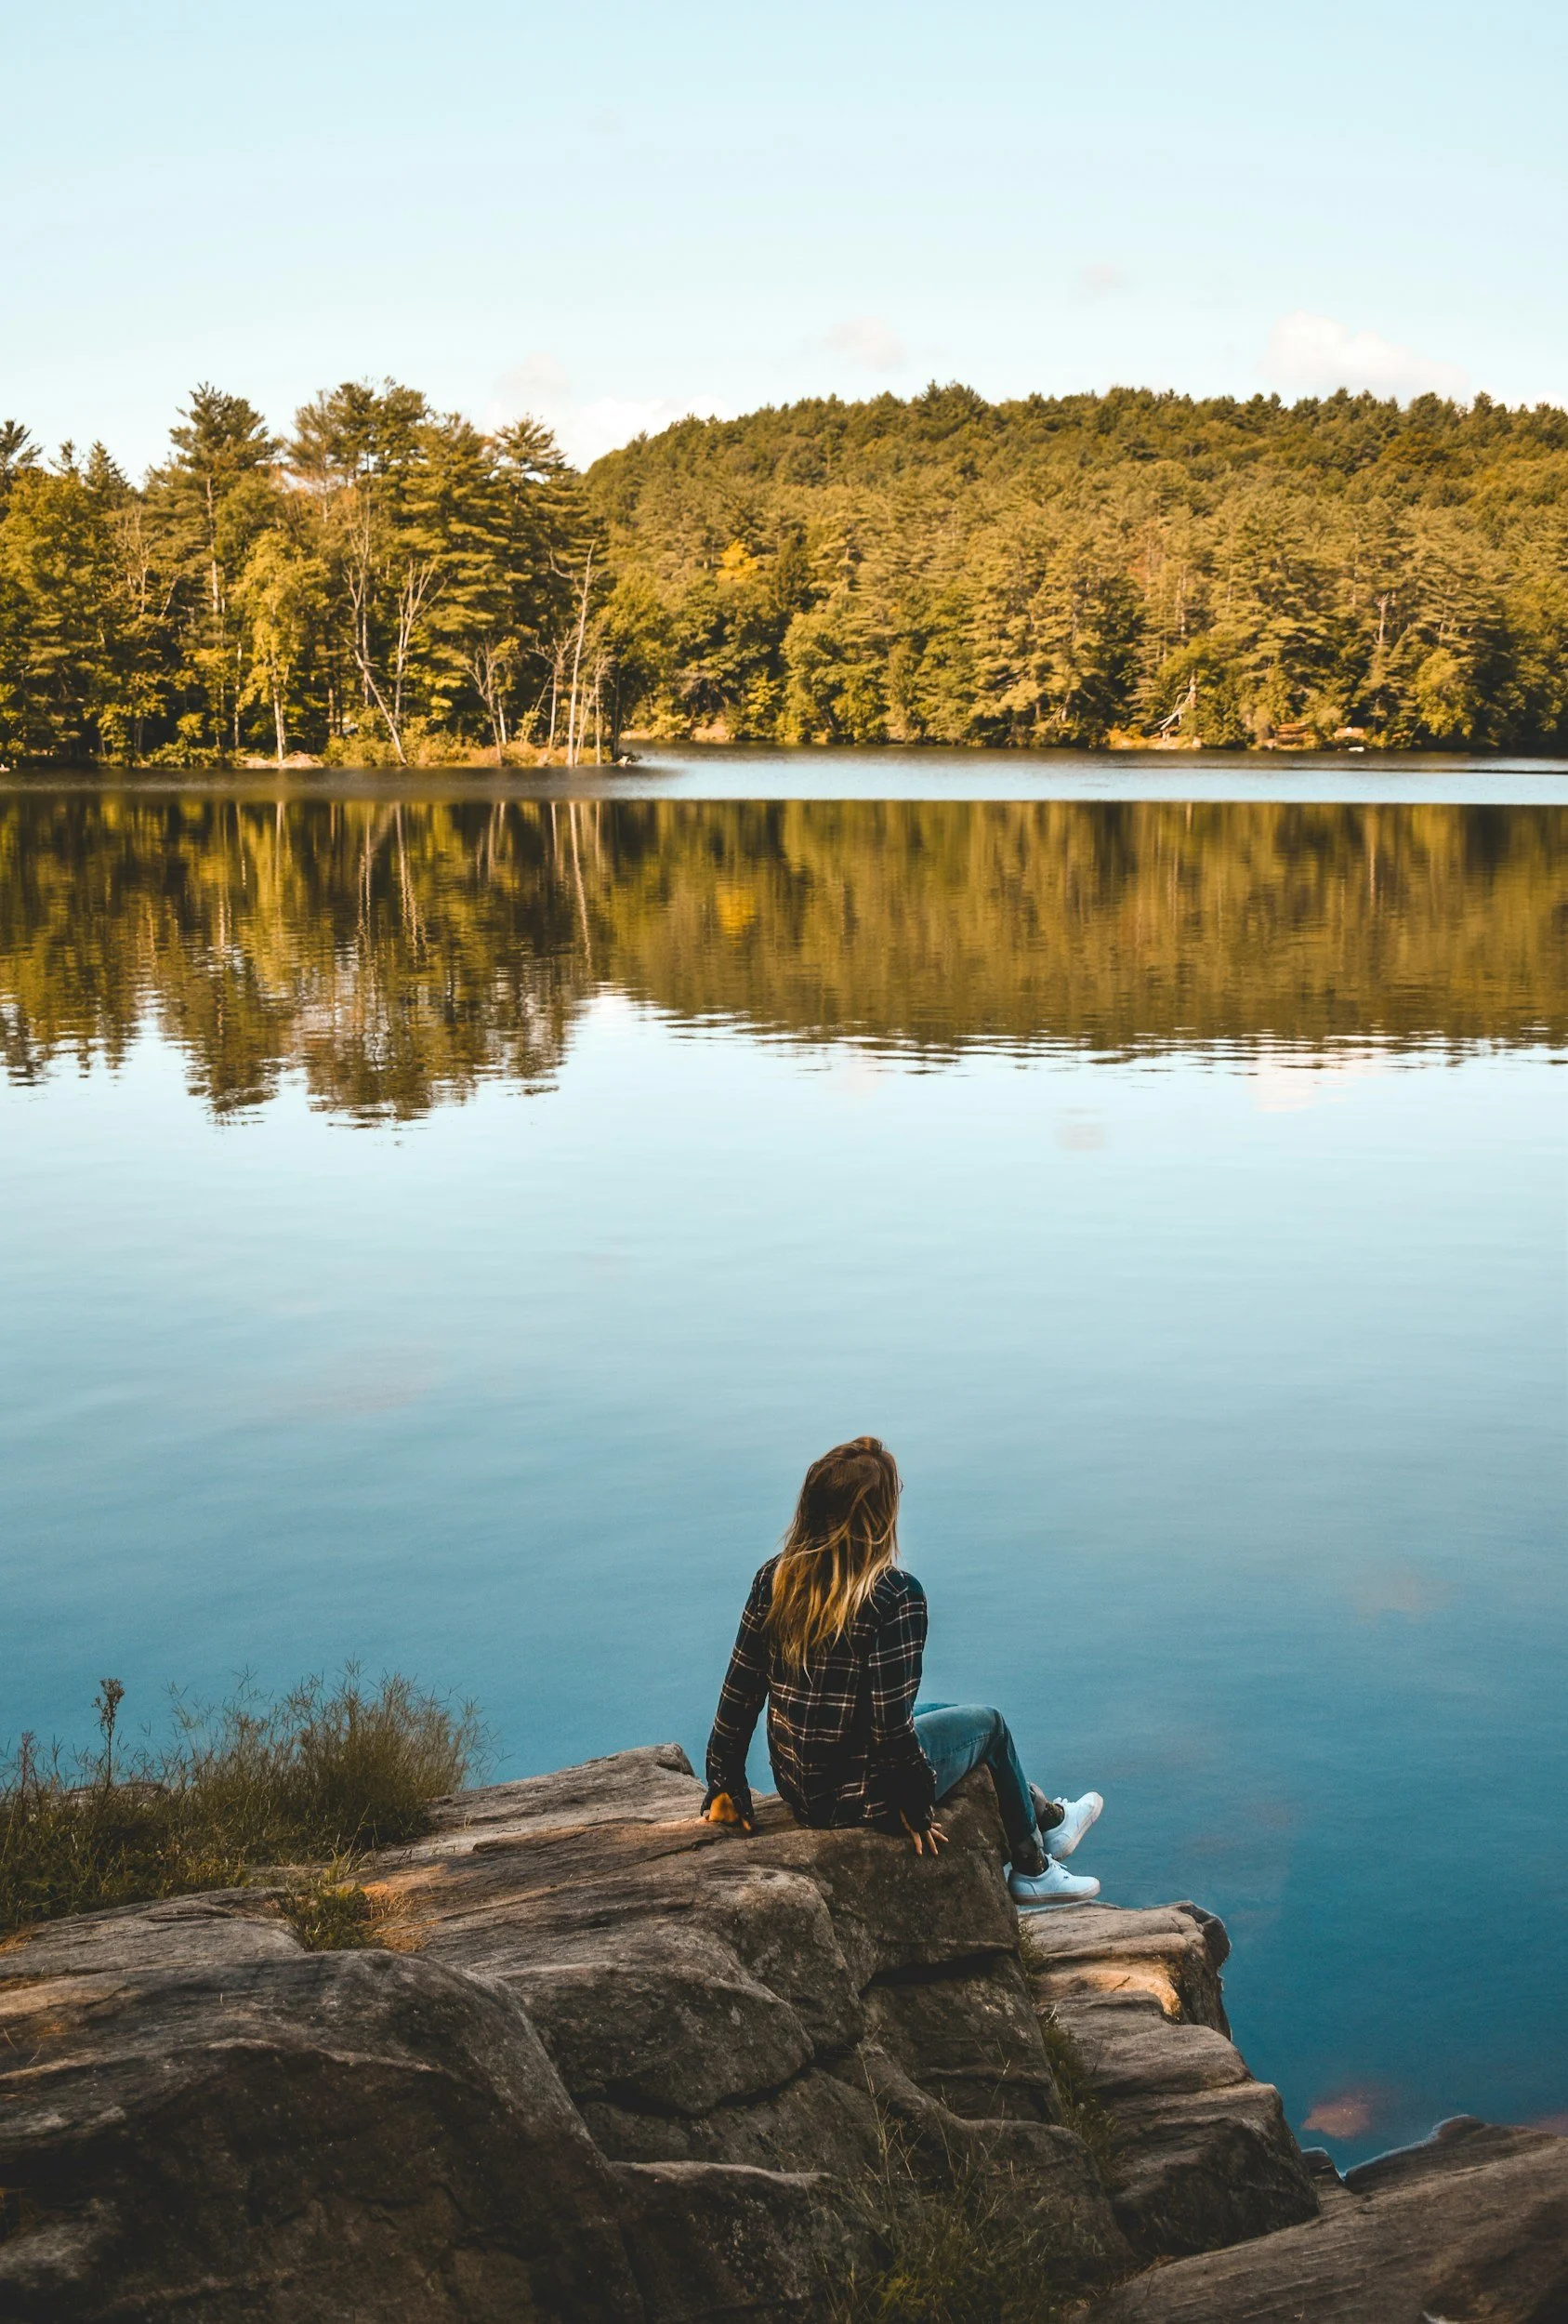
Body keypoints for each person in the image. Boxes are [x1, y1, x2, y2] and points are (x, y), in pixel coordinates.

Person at [701, 1434, 1103, 1906]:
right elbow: (891, 1726)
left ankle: (1046, 1821)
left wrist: (723, 1782)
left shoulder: (776, 1577)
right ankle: (1034, 1868)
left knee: (953, 1713)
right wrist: (914, 1807)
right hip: (860, 1795)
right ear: (877, 1516)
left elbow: (740, 1689)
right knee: (990, 1726)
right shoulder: (895, 1595)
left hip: (802, 1787)